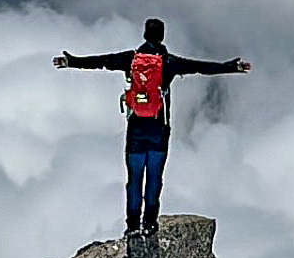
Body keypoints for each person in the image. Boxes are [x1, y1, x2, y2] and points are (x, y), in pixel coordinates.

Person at [54, 18, 250, 245]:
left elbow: (102, 62)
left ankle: (132, 226)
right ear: (162, 36)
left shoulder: (131, 59)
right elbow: (200, 67)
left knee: (134, 179)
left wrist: (72, 61)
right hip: (159, 130)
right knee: (154, 178)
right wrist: (231, 67)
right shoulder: (169, 62)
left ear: (145, 34)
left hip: (136, 130)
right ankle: (150, 224)